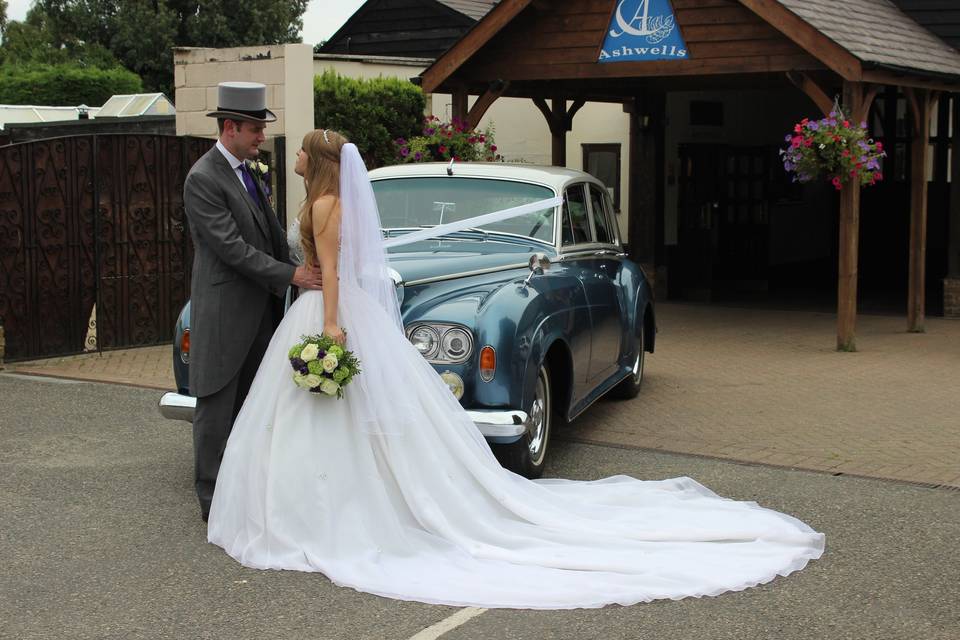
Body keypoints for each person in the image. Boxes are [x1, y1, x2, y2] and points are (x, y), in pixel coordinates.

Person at [207, 129, 824, 609]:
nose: (281, 149)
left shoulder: (326, 206)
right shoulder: (324, 202)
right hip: (319, 305)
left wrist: (333, 325)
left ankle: (326, 509)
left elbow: (337, 271)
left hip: (330, 311)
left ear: (313, 160)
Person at [183, 82, 323, 523]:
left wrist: (299, 271)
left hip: (263, 310)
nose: (262, 137)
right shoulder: (203, 178)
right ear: (230, 128)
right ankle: (211, 501)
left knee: (253, 402)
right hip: (226, 312)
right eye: (255, 129)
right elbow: (231, 248)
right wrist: (293, 275)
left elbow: (269, 234)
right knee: (216, 403)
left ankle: (244, 490)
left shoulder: (250, 171)